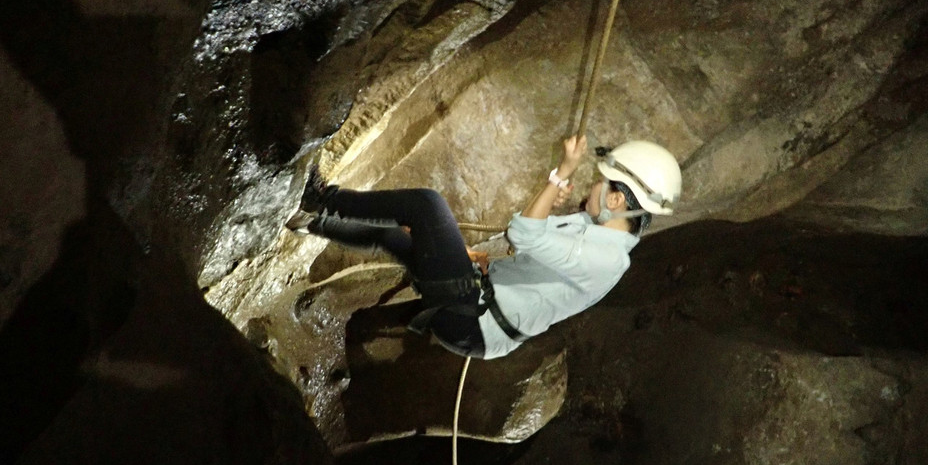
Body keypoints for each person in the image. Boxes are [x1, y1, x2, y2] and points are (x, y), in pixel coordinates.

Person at [286, 135, 681, 359]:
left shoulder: (605, 259)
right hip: (477, 297)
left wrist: (562, 173)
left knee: (427, 205)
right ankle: (312, 223)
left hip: (472, 319)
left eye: (601, 182)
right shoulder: (596, 231)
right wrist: (484, 263)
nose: (592, 186)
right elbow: (528, 240)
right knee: (395, 238)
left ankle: (321, 198)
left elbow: (523, 235)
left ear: (617, 201)